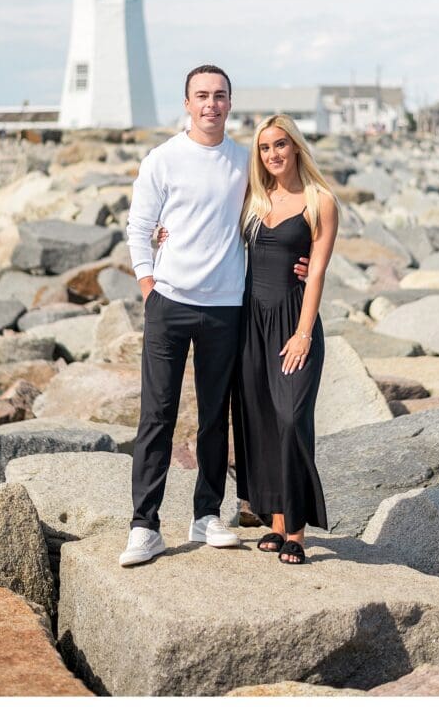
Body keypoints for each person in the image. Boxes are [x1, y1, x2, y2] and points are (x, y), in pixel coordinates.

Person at [120, 66, 308, 566]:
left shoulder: (246, 164)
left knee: (213, 419)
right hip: (170, 304)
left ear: (230, 102)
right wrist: (148, 287)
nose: (211, 104)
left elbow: (283, 211)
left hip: (227, 308)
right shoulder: (162, 160)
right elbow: (139, 228)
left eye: (219, 96)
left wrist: (303, 260)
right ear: (186, 103)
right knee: (156, 415)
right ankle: (144, 525)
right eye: (201, 96)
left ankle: (206, 515)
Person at [233, 114, 339, 564]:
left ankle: (297, 530)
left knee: (292, 418)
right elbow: (206, 227)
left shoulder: (321, 201)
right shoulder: (254, 199)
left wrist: (302, 334)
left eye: (280, 145)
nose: (273, 154)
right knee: (259, 419)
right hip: (250, 322)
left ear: (295, 146)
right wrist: (161, 235)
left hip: (294, 322)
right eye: (264, 148)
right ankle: (274, 520)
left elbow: (315, 273)